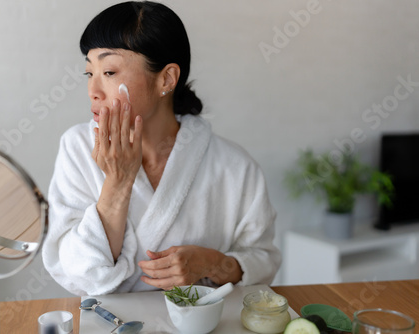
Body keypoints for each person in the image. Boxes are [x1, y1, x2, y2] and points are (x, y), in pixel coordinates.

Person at [42, 1, 281, 296]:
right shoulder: (77, 148)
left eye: (110, 72)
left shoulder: (234, 167)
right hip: (110, 323)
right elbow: (78, 272)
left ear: (166, 78)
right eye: (90, 73)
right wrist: (117, 183)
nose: (93, 91)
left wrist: (214, 264)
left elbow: (264, 261)